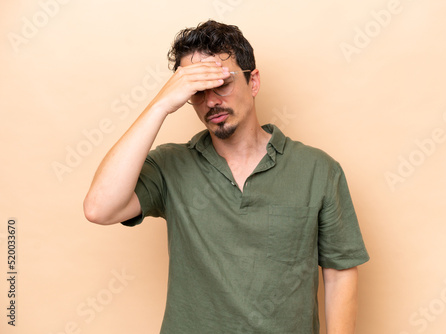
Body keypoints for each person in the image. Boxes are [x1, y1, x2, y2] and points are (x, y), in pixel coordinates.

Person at [84, 20, 369, 334]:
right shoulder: (170, 165)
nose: (211, 101)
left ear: (253, 82)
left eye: (221, 81)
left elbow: (340, 273)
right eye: (197, 89)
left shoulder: (318, 170)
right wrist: (161, 104)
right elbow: (99, 208)